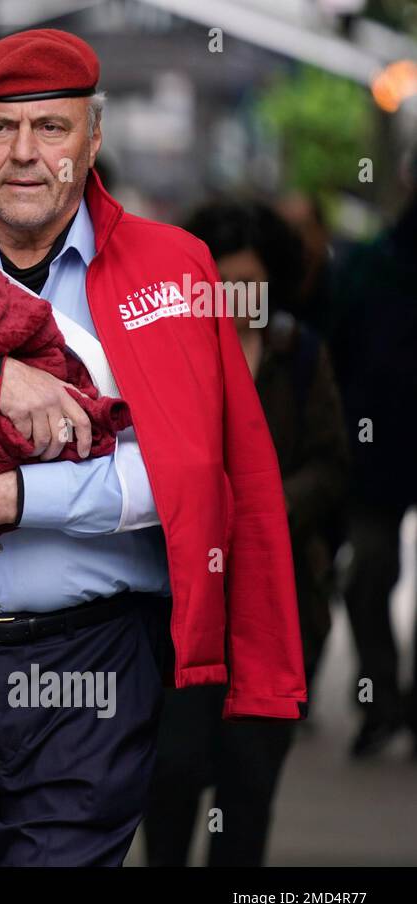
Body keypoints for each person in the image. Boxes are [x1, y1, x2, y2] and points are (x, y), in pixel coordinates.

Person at [0, 28, 305, 866]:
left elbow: (196, 480)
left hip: (96, 667)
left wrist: (18, 499)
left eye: (53, 128)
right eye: (0, 128)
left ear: (93, 138)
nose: (26, 154)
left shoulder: (172, 270)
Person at [144, 199, 349, 866]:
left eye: (250, 284)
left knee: (249, 784)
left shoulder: (298, 354)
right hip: (186, 608)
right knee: (171, 775)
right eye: (223, 284)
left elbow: (332, 459)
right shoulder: (173, 352)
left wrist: (266, 510)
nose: (236, 299)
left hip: (275, 601)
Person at [329, 141, 417, 759]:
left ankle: (390, 702)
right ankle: (383, 699)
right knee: (369, 577)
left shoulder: (369, 264)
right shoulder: (371, 265)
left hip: (377, 451)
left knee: (370, 576)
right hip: (377, 453)